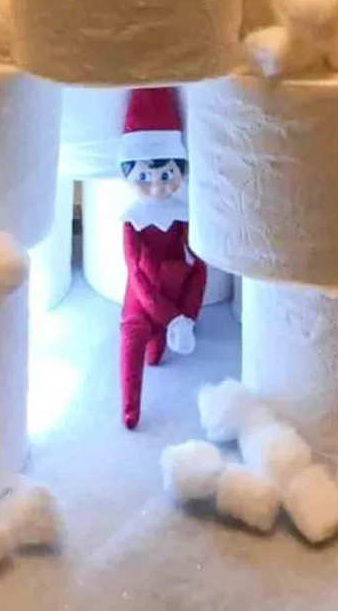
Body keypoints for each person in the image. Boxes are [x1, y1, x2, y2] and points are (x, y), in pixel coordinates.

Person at [117, 87, 207, 430]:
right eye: (144, 177)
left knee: (156, 355)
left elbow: (198, 267)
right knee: (134, 339)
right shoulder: (132, 221)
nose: (156, 187)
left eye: (167, 175)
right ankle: (130, 411)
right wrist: (173, 318)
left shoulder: (185, 217)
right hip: (142, 303)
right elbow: (135, 276)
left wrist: (189, 315)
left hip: (176, 298)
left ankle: (159, 343)